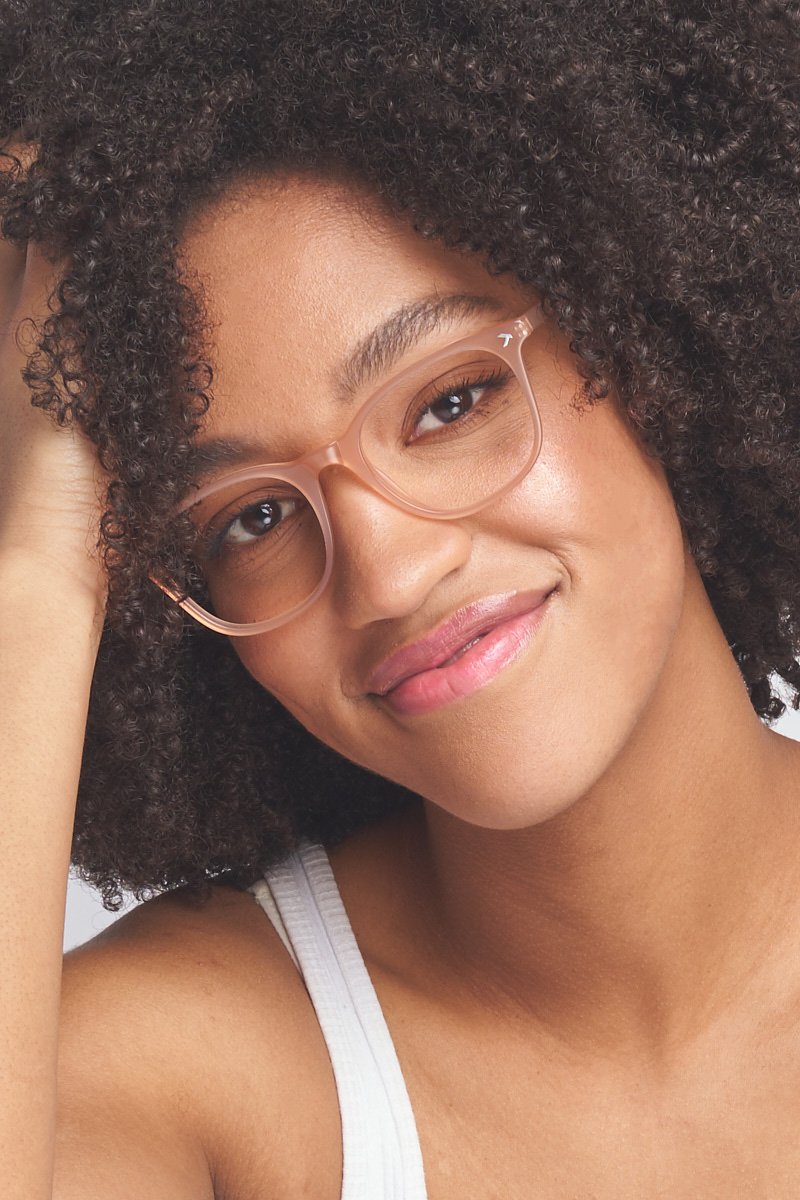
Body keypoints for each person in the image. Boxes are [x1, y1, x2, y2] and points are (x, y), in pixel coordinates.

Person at [2, 0, 800, 1195]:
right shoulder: (188, 1073)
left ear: (650, 337)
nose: (385, 573)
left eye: (447, 403)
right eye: (250, 519)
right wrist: (43, 561)